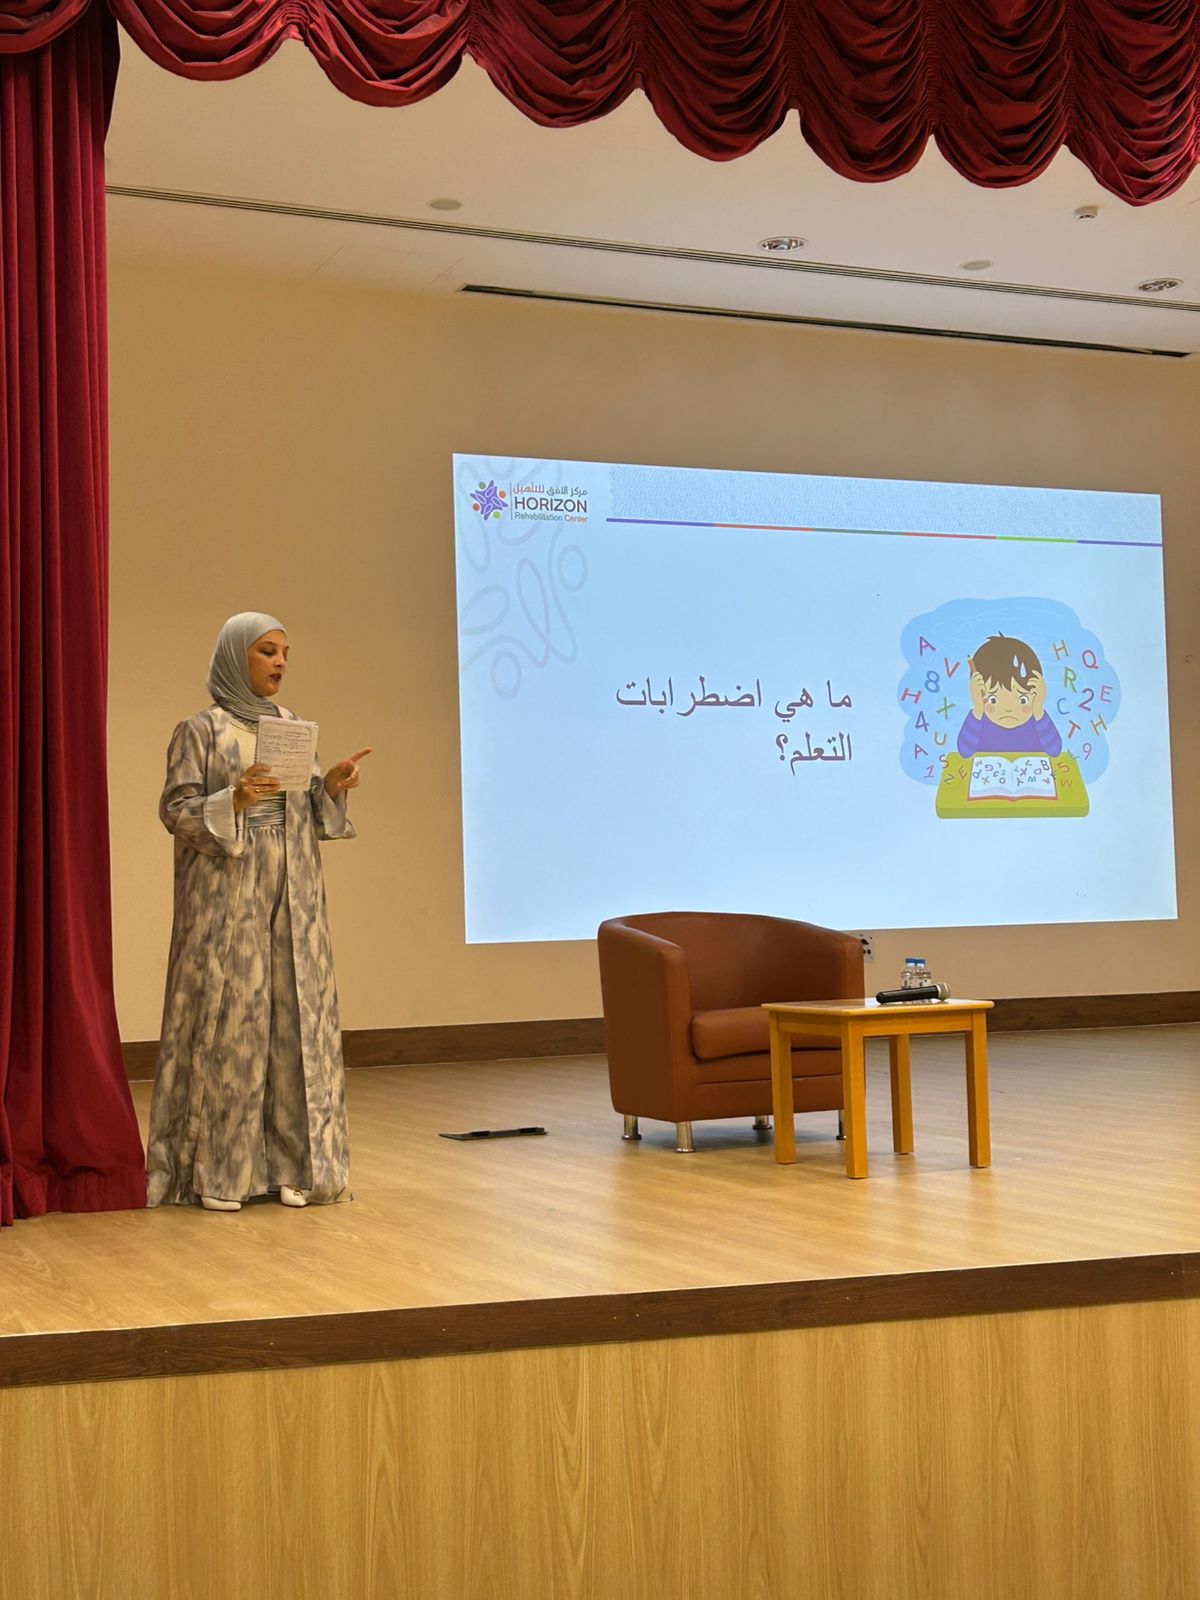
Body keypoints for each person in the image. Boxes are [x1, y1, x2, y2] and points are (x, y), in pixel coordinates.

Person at [146, 612, 371, 1212]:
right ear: (235, 656)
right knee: (232, 1021)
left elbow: (307, 812)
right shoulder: (200, 730)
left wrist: (331, 787)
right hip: (230, 885)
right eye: (267, 651)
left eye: (285, 653)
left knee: (294, 1020)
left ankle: (296, 1167)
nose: (280, 663)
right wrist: (235, 799)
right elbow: (176, 810)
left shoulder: (290, 727)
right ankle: (222, 1171)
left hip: (292, 888)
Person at [956, 633, 1062, 758]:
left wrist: (1038, 709)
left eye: (1023, 700)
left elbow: (1055, 751)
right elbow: (964, 752)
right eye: (993, 699)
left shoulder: (1038, 722)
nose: (1008, 708)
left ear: (1036, 694)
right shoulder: (978, 722)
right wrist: (977, 708)